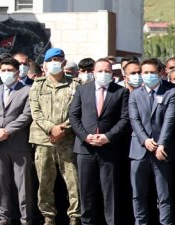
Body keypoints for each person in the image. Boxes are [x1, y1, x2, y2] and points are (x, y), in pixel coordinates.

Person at [68, 58, 129, 225]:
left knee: (110, 191)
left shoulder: (121, 92)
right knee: (86, 191)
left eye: (107, 71)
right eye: (100, 70)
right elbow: (73, 116)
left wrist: (107, 137)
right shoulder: (82, 90)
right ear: (93, 72)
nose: (104, 74)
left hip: (109, 149)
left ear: (113, 73)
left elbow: (124, 119)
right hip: (85, 148)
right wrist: (85, 136)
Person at [29, 48, 81, 225]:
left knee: (73, 181)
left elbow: (76, 112)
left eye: (58, 59)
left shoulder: (75, 85)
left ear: (64, 62)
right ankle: (48, 216)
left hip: (67, 140)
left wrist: (62, 129)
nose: (55, 63)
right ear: (45, 64)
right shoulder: (38, 84)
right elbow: (35, 111)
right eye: (51, 60)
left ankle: (75, 216)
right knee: (45, 180)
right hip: (44, 140)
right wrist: (51, 129)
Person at [0, 57, 34, 225]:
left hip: (18, 143)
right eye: (3, 70)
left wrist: (8, 131)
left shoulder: (27, 90)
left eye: (9, 71)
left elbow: (26, 115)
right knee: (1, 183)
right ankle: (5, 217)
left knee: (23, 184)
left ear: (17, 73)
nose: (6, 74)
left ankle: (26, 218)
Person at [128, 59, 175, 225]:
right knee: (138, 194)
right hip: (139, 150)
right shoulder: (134, 94)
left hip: (162, 151)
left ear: (161, 72)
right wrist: (145, 140)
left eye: (152, 72)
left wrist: (161, 144)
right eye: (145, 73)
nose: (148, 76)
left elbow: (170, 119)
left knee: (164, 195)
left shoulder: (171, 91)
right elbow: (134, 120)